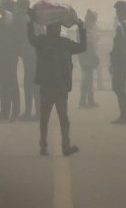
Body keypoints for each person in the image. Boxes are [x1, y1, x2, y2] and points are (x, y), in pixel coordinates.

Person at [28, 9, 86, 156]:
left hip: (59, 86)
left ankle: (60, 146)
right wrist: (30, 21)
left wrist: (81, 28)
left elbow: (82, 47)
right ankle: (45, 145)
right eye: (55, 26)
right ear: (49, 28)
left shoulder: (62, 42)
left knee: (61, 118)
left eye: (58, 26)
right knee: (48, 118)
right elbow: (31, 38)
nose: (57, 29)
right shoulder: (43, 41)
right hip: (51, 86)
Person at [0, 0, 21, 122]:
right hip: (6, 55)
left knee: (7, 84)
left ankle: (9, 112)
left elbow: (3, 11)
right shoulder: (9, 18)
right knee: (8, 83)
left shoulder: (9, 16)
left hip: (6, 55)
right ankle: (9, 112)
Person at [15, 0, 40, 120]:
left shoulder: (22, 19)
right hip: (36, 53)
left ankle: (29, 112)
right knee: (35, 83)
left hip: (29, 54)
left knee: (29, 83)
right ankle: (37, 112)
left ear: (21, 7)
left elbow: (19, 37)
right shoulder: (34, 19)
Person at [78, 9, 100, 109]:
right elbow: (90, 44)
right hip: (88, 56)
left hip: (83, 55)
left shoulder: (82, 27)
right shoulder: (89, 28)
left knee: (87, 78)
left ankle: (86, 100)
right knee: (88, 78)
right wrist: (95, 56)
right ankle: (86, 100)